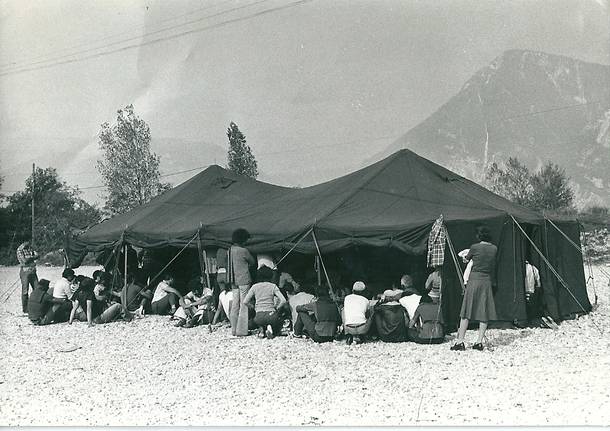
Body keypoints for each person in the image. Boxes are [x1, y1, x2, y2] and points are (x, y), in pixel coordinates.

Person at [451, 225, 498, 351]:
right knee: (484, 311)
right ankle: (479, 342)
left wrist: (464, 257)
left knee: (466, 311)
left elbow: (466, 260)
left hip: (474, 279)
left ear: (478, 236)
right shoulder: (494, 248)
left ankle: (460, 341)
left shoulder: (475, 247)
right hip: (486, 280)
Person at [243, 266, 286, 338]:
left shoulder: (254, 287)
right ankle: (272, 329)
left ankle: (262, 330)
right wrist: (276, 308)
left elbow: (245, 301)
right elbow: (283, 300)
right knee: (278, 320)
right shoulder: (273, 286)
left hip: (258, 316)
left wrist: (253, 307)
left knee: (259, 321)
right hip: (271, 315)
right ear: (270, 275)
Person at [228, 228, 256, 336]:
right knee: (244, 304)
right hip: (243, 279)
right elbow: (252, 262)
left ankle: (233, 329)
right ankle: (242, 330)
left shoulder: (230, 250)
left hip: (233, 280)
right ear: (243, 239)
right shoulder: (243, 251)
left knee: (235, 305)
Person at [16, 241, 39, 313]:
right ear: (23, 242)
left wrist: (30, 258)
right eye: (27, 242)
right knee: (25, 291)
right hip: (25, 272)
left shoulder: (30, 248)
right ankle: (25, 309)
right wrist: (33, 257)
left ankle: (36, 306)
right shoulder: (19, 250)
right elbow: (24, 260)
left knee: (37, 288)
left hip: (32, 271)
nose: (29, 244)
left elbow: (38, 255)